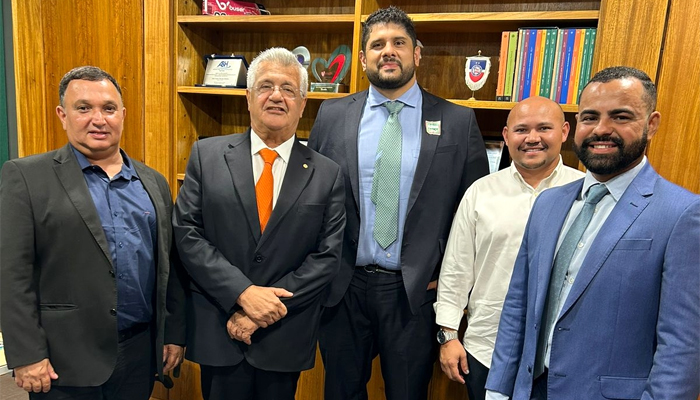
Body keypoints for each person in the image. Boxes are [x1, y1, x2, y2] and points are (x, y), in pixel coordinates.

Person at [485, 66, 700, 400]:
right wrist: (498, 389)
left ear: (651, 124)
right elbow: (518, 305)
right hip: (530, 390)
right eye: (589, 117)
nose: (602, 129)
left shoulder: (681, 213)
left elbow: (683, 345)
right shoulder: (548, 203)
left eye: (620, 117)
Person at [308, 6, 489, 399]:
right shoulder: (332, 114)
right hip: (343, 287)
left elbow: (474, 209)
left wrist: (451, 279)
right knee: (340, 392)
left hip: (414, 291)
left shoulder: (458, 120)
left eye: (398, 43)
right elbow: (312, 196)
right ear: (363, 58)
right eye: (377, 44)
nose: (388, 51)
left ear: (416, 54)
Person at [0, 66, 186, 399]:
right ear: (62, 114)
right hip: (63, 359)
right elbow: (12, 275)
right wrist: (27, 355)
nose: (98, 119)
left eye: (108, 108)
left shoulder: (153, 182)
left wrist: (172, 333)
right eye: (83, 108)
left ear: (123, 115)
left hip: (139, 353)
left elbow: (169, 269)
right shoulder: (26, 178)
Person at [172, 47, 346, 400]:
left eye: (288, 89)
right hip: (221, 327)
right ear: (248, 98)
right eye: (266, 86)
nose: (277, 96)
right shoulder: (207, 156)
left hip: (285, 333)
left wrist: (263, 311)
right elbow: (188, 234)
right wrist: (242, 293)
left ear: (302, 102)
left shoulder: (327, 173)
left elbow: (326, 257)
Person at [435, 96, 584, 400]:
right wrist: (448, 335)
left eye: (544, 128)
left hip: (559, 356)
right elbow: (456, 269)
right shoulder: (481, 192)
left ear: (565, 131)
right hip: (486, 348)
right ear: (506, 136)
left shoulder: (587, 193)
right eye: (521, 130)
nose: (532, 138)